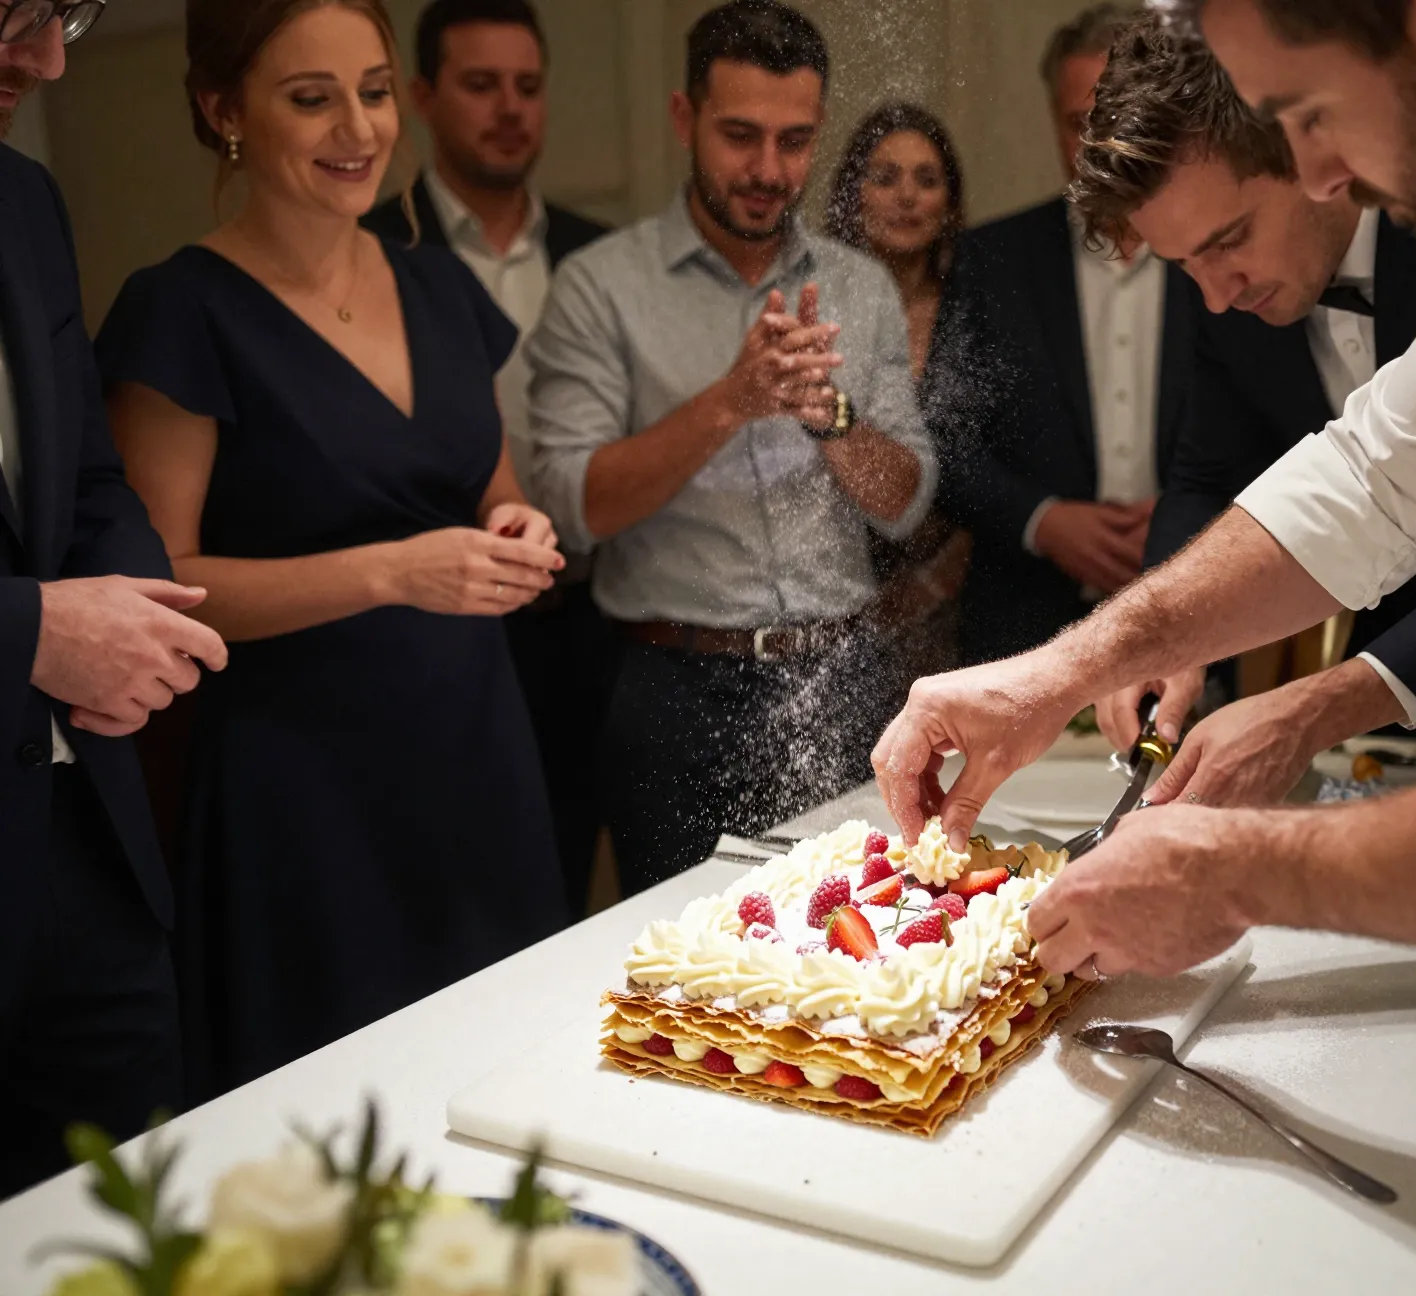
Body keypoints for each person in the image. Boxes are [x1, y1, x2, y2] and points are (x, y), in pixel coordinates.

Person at [875, 0, 1416, 1283]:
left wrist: (1228, 870)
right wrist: (1063, 669)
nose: (1325, 173)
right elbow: (1374, 475)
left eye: (1309, 113)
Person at [96, 0, 568, 1100]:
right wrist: (396, 572)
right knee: (332, 1126)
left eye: (370, 90)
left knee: (511, 1095)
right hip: (304, 792)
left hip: (477, 754)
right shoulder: (182, 310)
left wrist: (520, 528)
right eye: (310, 99)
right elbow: (164, 587)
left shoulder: (442, 287)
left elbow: (492, 492)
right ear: (225, 113)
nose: (354, 128)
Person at [524, 0, 935, 894]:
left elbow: (905, 500)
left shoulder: (857, 286)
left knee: (858, 945)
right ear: (685, 119)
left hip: (839, 675)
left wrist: (828, 417)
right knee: (683, 970)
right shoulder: (601, 287)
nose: (767, 170)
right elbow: (569, 506)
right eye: (740, 136)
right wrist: (729, 403)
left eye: (795, 141)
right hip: (673, 688)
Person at [1066, 15, 1416, 765]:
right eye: (1183, 265)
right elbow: (1207, 474)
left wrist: (1328, 703)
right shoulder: (1228, 292)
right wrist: (1165, 635)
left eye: (1229, 241)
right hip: (1395, 697)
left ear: (1306, 153)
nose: (1213, 296)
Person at [0, 0, 230, 1200]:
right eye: (16, 15)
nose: (45, 61)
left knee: (136, 1223)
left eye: (65, 15)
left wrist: (143, 610)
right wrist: (37, 632)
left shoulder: (25, 204)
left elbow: (83, 475)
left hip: (81, 839)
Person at [363, 0, 611, 918]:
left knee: (577, 886)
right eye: (480, 85)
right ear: (423, 97)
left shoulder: (599, 253)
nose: (509, 108)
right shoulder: (374, 247)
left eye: (527, 86)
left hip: (592, 611)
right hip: (434, 623)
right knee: (460, 899)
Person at [939, 3, 1193, 665]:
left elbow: (1275, 430)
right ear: (1054, 124)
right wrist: (1041, 520)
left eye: (1119, 120)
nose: (1099, 147)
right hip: (1025, 631)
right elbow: (945, 440)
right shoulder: (989, 262)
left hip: (1198, 624)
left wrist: (1188, 517)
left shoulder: (1220, 258)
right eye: (1080, 124)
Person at [825, 101, 974, 688]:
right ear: (851, 194)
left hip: (966, 590)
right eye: (884, 177)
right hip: (845, 595)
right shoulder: (822, 308)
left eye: (927, 179)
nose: (906, 196)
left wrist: (936, 583)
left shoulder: (977, 311)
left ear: (951, 202)